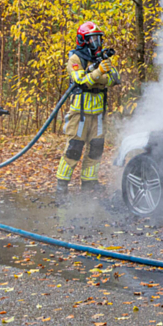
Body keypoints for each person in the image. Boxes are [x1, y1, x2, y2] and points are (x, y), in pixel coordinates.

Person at [56, 21, 119, 195]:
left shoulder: (101, 59)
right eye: (92, 39)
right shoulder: (75, 58)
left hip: (98, 114)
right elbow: (81, 81)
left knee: (96, 148)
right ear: (83, 40)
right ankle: (62, 185)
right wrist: (98, 73)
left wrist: (98, 76)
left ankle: (89, 184)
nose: (96, 43)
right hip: (80, 114)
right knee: (74, 149)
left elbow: (115, 78)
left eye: (98, 39)